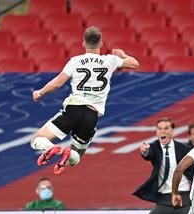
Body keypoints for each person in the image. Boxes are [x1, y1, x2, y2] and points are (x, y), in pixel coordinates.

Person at [30, 26, 139, 175]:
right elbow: (135, 63)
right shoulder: (110, 60)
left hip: (73, 110)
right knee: (75, 160)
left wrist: (39, 93)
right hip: (91, 116)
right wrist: (123, 55)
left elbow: (56, 84)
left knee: (37, 140)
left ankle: (51, 148)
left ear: (83, 44)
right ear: (101, 44)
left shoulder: (75, 61)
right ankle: (67, 153)